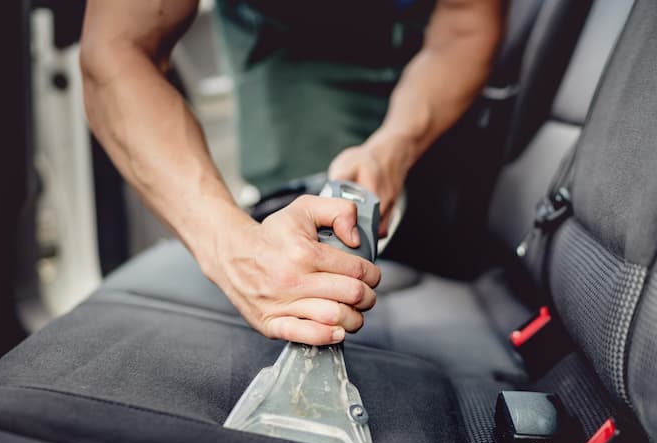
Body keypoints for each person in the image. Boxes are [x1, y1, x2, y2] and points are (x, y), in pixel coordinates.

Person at [80, 0, 504, 347]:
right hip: (291, 49)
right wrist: (234, 248)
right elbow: (116, 51)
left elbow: (464, 24)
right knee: (308, 268)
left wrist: (393, 145)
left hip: (424, 53)